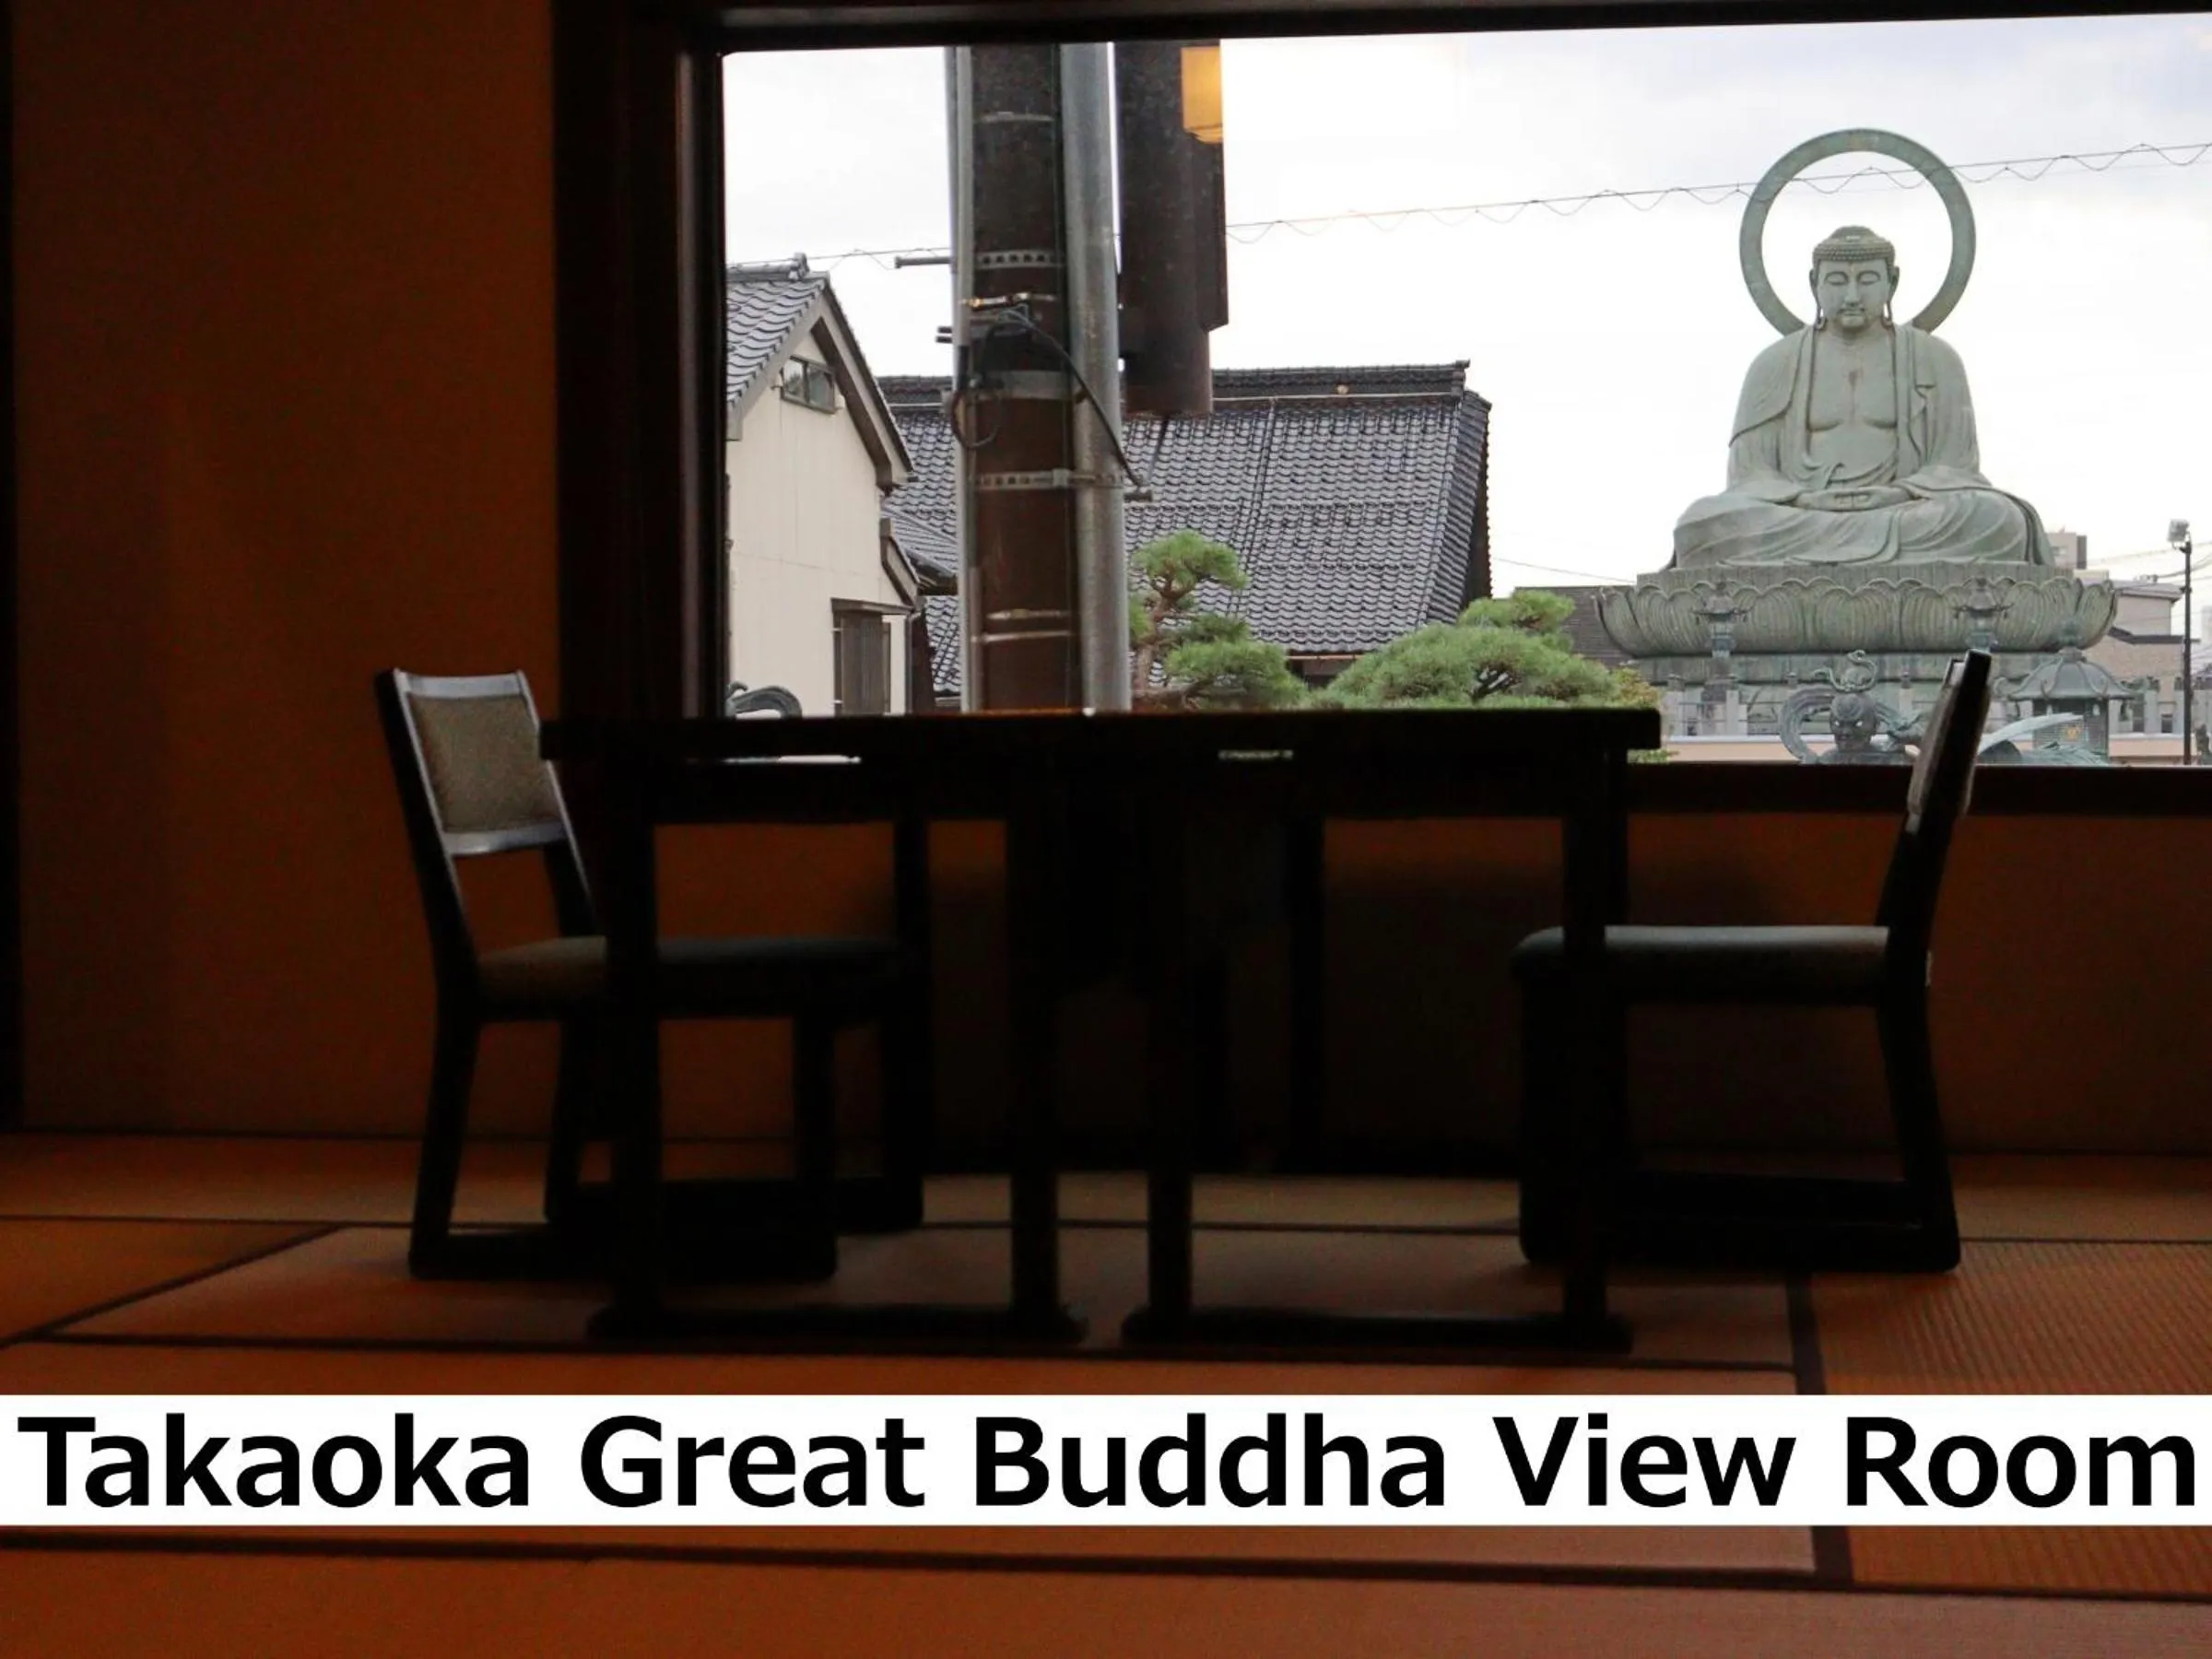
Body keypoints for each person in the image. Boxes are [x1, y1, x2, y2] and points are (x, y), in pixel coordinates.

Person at [1673, 225, 2049, 569]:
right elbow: (1750, 474)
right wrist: (1802, 500)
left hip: (1905, 512)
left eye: (1867, 280)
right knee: (1702, 523)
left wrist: (1898, 494)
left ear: (1892, 282)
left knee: (1995, 518)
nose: (1851, 295)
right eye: (1836, 281)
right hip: (1803, 515)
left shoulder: (1936, 359)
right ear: (1813, 284)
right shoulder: (1774, 364)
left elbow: (1956, 468)